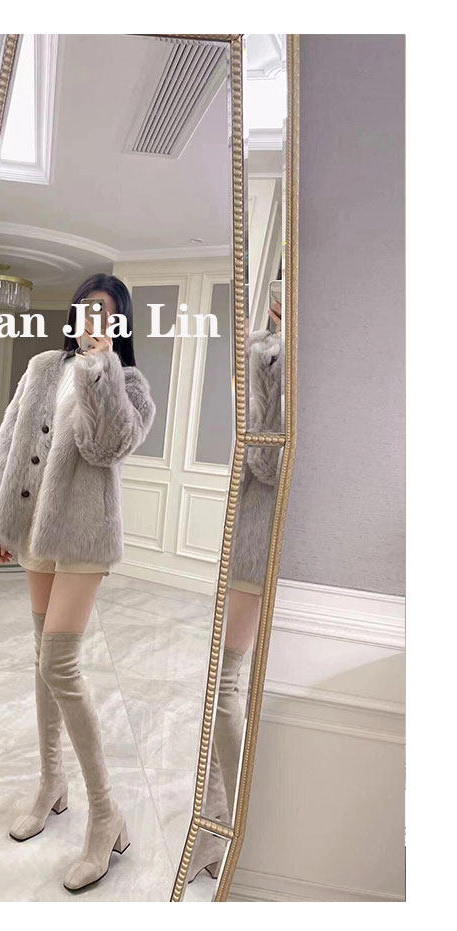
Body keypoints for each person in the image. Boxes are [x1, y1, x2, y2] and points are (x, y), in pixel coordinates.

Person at [0, 273, 155, 892]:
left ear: (119, 323)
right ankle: (52, 783)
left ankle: (105, 815)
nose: (91, 319)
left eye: (105, 312)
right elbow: (9, 443)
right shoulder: (41, 368)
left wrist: (100, 369)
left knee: (60, 663)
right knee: (41, 660)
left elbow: (105, 448)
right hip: (32, 530)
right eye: (85, 308)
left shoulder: (130, 385)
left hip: (83, 538)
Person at [188, 295, 283, 882]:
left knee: (224, 683)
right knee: (223, 684)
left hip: (260, 542)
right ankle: (214, 826)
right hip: (246, 537)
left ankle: (231, 827)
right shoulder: (267, 354)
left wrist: (267, 366)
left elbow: (271, 465)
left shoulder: (288, 361)